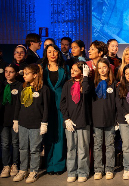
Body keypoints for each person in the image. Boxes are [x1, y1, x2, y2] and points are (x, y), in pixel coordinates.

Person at [12, 64, 49, 183]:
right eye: (24, 73)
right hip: (23, 123)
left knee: (34, 149)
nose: (24, 76)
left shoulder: (44, 89)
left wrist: (44, 123)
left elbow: (46, 108)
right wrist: (16, 120)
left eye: (27, 74)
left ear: (35, 75)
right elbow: (18, 105)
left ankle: (33, 171)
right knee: (22, 148)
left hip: (36, 124)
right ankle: (23, 170)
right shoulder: (22, 88)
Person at [60, 62, 91, 183]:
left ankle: (83, 172)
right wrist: (66, 118)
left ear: (82, 71)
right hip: (70, 121)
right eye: (71, 70)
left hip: (83, 121)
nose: (72, 72)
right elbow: (62, 102)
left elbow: (86, 92)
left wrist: (86, 77)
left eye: (75, 70)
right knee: (71, 148)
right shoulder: (68, 84)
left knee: (83, 148)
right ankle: (72, 172)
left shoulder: (86, 83)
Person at [42, 44, 69, 175]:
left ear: (58, 53)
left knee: (60, 135)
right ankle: (49, 164)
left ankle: (59, 164)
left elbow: (69, 86)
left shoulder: (65, 68)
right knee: (48, 135)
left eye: (55, 51)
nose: (52, 54)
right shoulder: (41, 69)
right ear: (46, 54)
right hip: (45, 105)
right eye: (49, 51)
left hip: (60, 104)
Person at [91, 58, 117, 180]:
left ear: (109, 68)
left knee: (110, 145)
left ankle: (109, 169)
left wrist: (116, 119)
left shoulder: (113, 84)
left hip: (110, 119)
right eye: (99, 67)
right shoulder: (93, 84)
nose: (102, 70)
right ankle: (98, 169)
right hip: (97, 120)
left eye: (104, 67)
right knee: (97, 145)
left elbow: (116, 103)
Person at [0, 64, 21, 178]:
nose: (8, 74)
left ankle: (15, 164)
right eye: (6, 71)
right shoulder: (2, 85)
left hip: (15, 119)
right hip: (3, 119)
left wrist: (17, 119)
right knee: (5, 144)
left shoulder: (19, 86)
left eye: (11, 72)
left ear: (16, 73)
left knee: (15, 143)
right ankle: (6, 165)